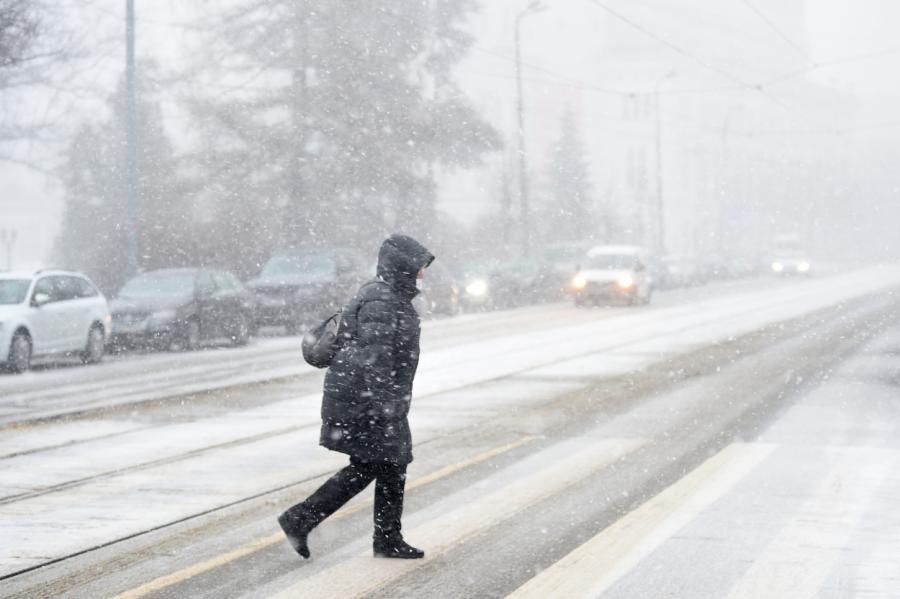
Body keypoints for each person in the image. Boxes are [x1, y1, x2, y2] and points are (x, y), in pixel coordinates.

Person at [278, 234, 434, 560]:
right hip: (366, 401)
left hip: (367, 398)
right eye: (418, 267)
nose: (421, 274)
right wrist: (386, 405)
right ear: (402, 267)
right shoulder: (383, 301)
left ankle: (381, 536)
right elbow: (376, 358)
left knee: (386, 465)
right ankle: (304, 519)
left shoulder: (387, 296)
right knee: (379, 464)